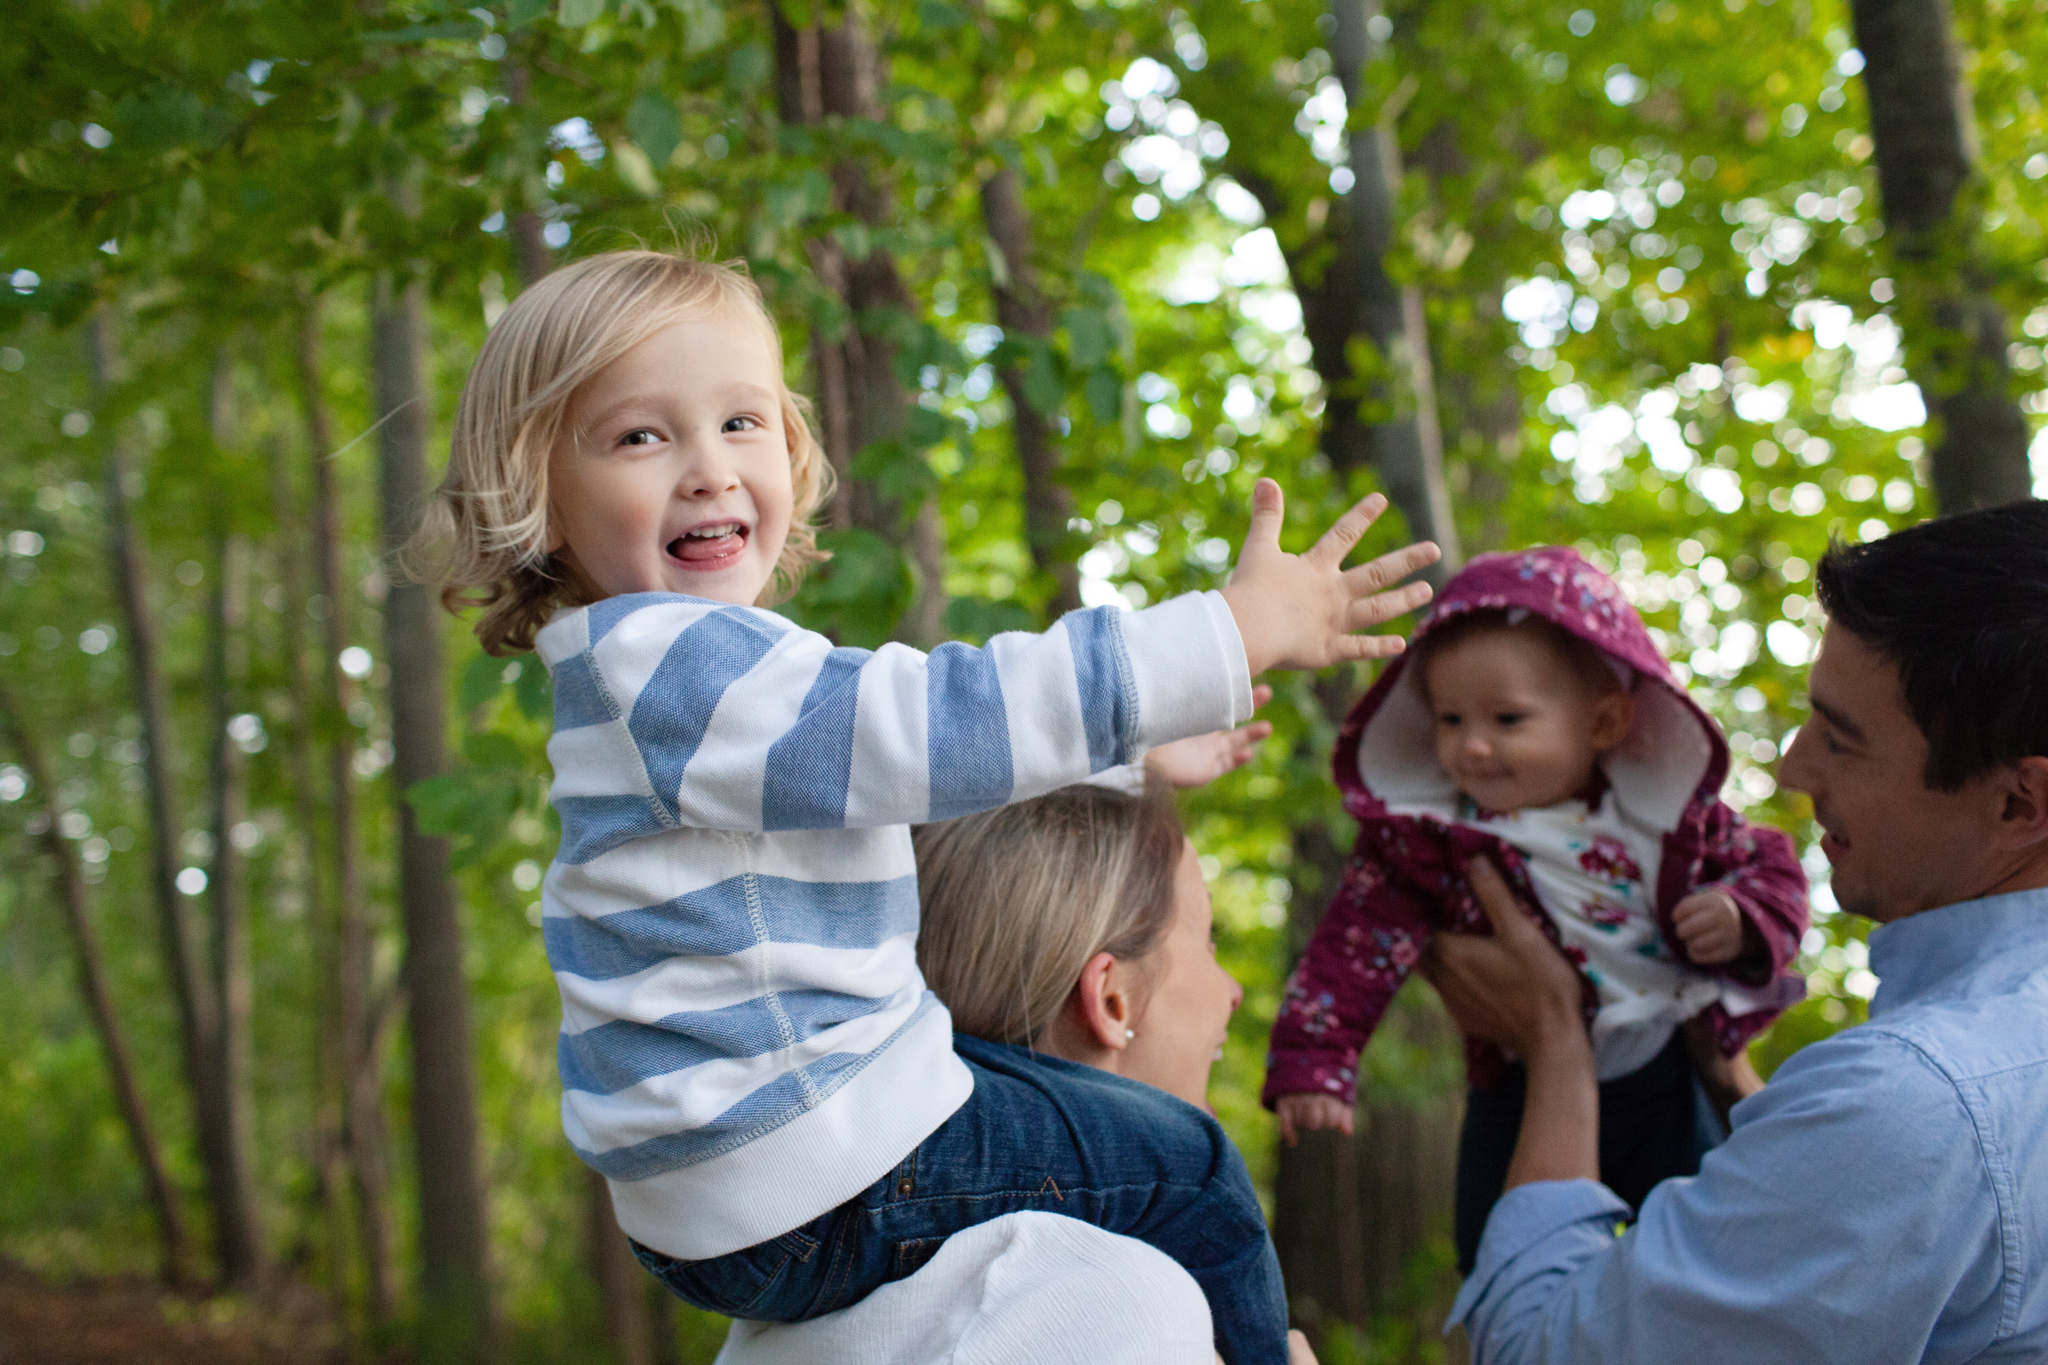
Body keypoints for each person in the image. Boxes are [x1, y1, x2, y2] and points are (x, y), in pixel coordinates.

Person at [414, 249, 1440, 1365]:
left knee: (1032, 1090)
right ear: (539, 499)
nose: (708, 469)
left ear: (791, 449)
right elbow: (927, 726)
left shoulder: (671, 690)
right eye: (640, 437)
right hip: (812, 1162)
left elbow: (890, 787)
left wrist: (1125, 762)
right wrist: (1221, 638)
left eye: (742, 423)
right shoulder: (669, 665)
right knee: (1185, 1165)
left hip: (762, 1170)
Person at [1427, 500, 2048, 1362]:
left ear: (2020, 802)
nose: (1794, 767)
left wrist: (1557, 1040)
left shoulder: (1921, 1101)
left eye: (1842, 738)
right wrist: (1725, 1071)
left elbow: (1540, 1348)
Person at [1260, 547, 1808, 1271]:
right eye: (1449, 718)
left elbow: (1770, 864)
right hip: (1517, 1087)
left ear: (1606, 723)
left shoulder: (1663, 816)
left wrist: (1741, 917)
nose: (1471, 745)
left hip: (1663, 1073)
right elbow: (1352, 944)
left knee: (1700, 1249)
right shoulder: (1432, 839)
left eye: (1507, 718)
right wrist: (1316, 1058)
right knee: (1495, 1255)